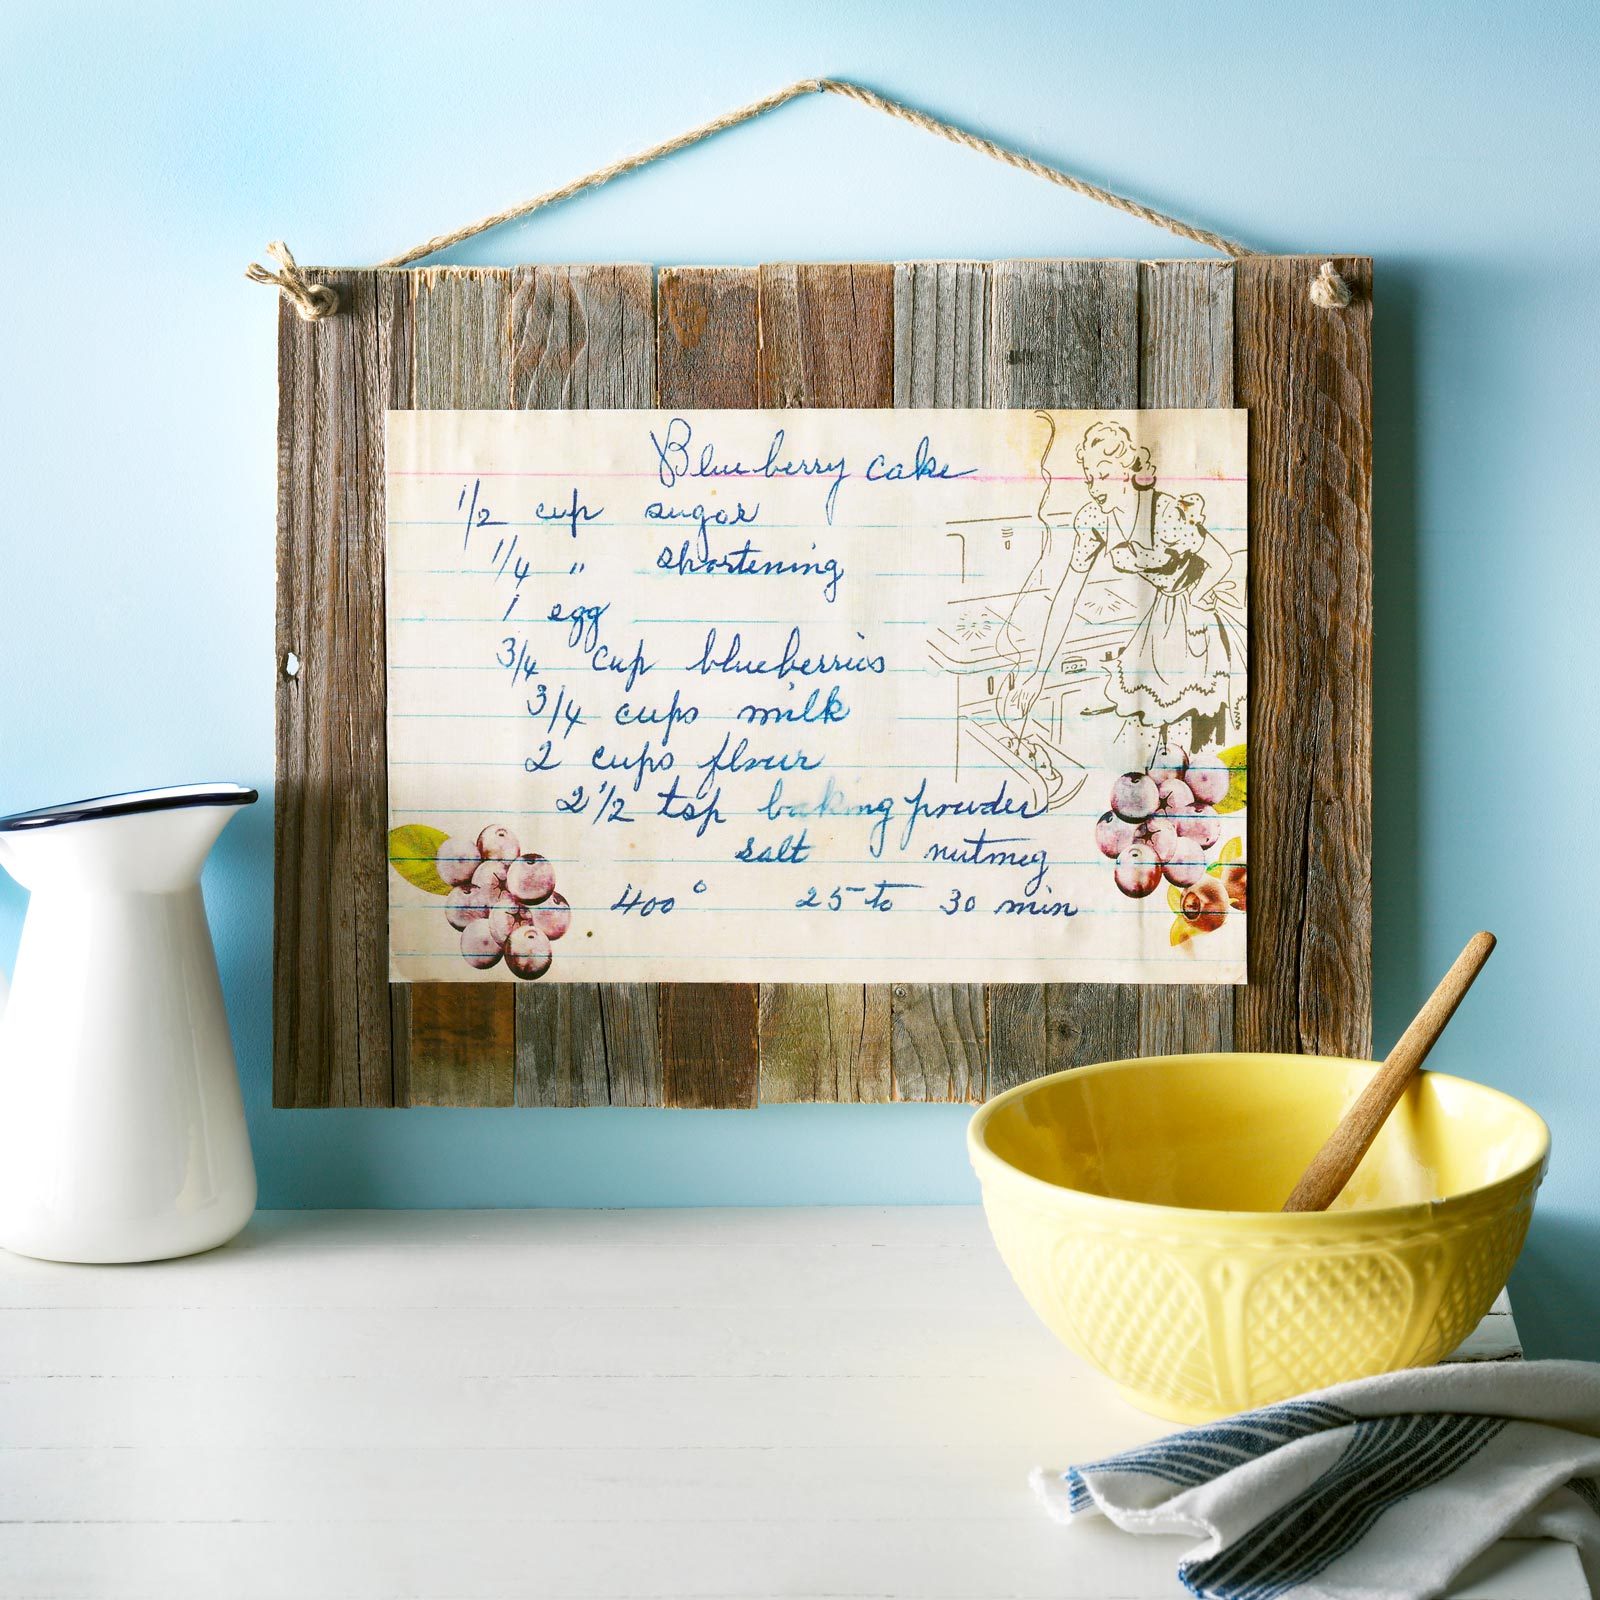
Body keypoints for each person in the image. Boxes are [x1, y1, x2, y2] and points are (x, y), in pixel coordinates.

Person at [999, 419, 1242, 758]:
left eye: (1102, 474)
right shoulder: (1095, 521)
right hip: (1160, 620)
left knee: (1194, 733)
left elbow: (1220, 560)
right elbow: (1067, 595)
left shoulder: (1167, 512)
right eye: (1088, 476)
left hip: (1197, 624)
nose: (1092, 485)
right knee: (1154, 727)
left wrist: (1200, 602)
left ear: (1128, 470)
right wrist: (1038, 675)